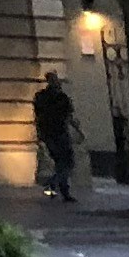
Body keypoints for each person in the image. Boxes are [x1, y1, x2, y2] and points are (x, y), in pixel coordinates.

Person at [33, 70, 82, 202]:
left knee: (59, 162)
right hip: (60, 133)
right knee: (67, 162)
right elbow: (68, 117)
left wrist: (39, 134)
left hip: (47, 133)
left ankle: (60, 190)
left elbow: (37, 117)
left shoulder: (40, 96)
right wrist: (78, 131)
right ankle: (54, 185)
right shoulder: (62, 98)